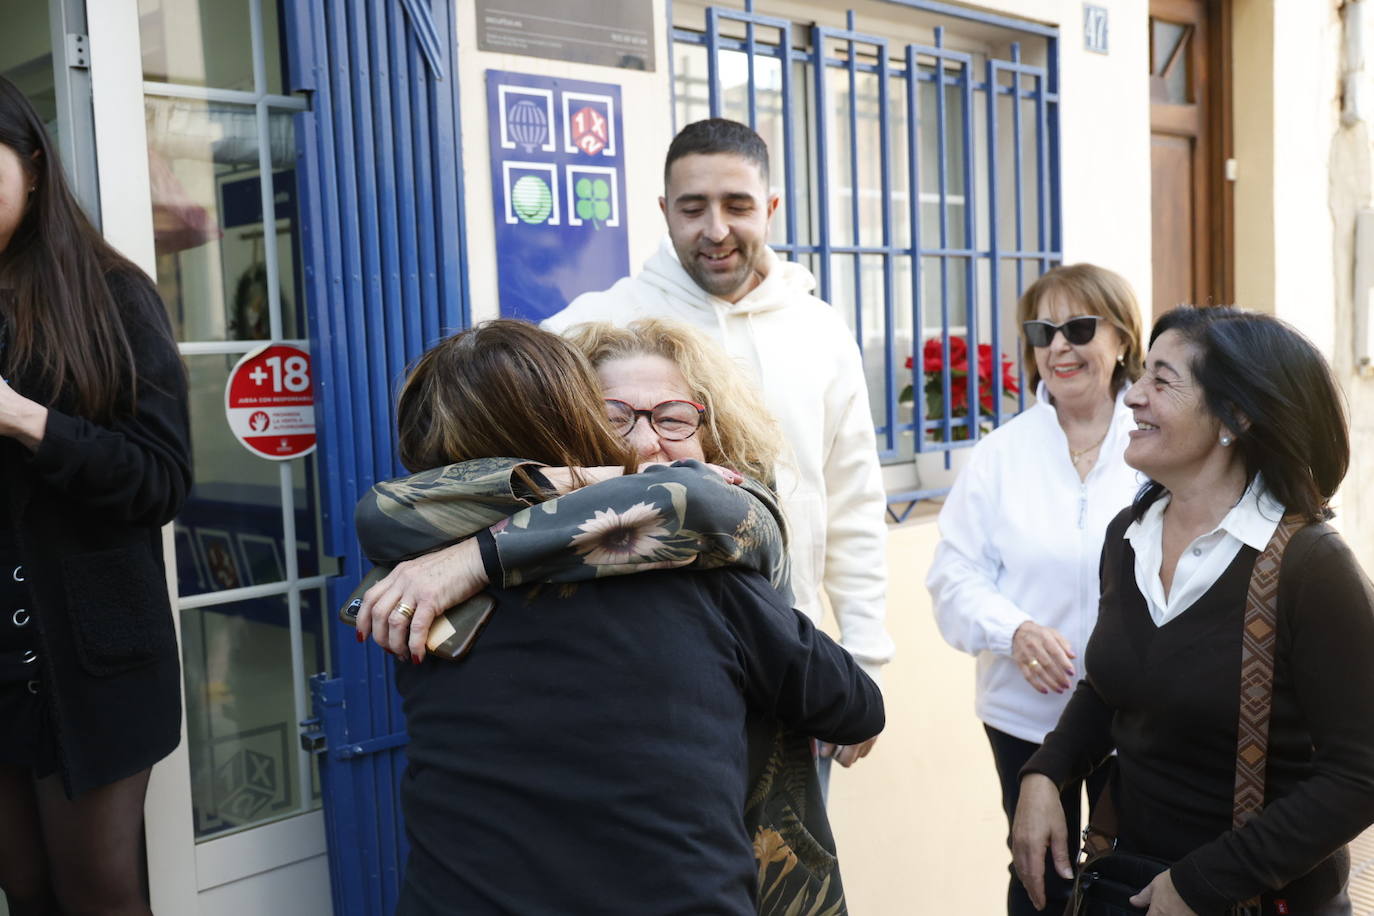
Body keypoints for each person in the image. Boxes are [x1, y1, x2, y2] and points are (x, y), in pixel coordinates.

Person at [352, 320, 883, 915]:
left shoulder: (415, 579)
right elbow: (853, 704)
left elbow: (703, 505)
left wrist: (482, 553)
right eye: (615, 419)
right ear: (575, 425)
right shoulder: (701, 578)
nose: (650, 447)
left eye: (674, 418)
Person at [544, 119, 893, 768]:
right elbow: (521, 479)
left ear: (771, 208)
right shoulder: (590, 327)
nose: (715, 229)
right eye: (692, 206)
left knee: (791, 868)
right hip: (643, 681)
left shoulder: (819, 332)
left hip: (791, 666)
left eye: (737, 205)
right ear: (663, 212)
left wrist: (864, 656)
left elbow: (852, 503)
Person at [1012, 306, 1374, 916]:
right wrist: (1046, 773)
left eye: (1162, 380)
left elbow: (1359, 776)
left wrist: (1204, 882)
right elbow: (1112, 689)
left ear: (1234, 416)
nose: (1133, 398)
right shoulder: (1128, 537)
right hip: (1129, 884)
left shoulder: (1312, 567)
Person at [0, 77, 192, 915]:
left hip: (92, 658)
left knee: (100, 893)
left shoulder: (111, 298)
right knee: (26, 890)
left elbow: (159, 478)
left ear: (33, 167)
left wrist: (22, 419)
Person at [926, 263, 1144, 916]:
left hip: (1134, 718)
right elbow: (953, 575)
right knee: (1039, 880)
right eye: (1043, 330)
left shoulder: (1157, 440)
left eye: (1079, 327)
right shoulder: (1000, 453)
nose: (1059, 346)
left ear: (1123, 339)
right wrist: (1011, 629)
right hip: (1023, 718)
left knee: (1128, 879)